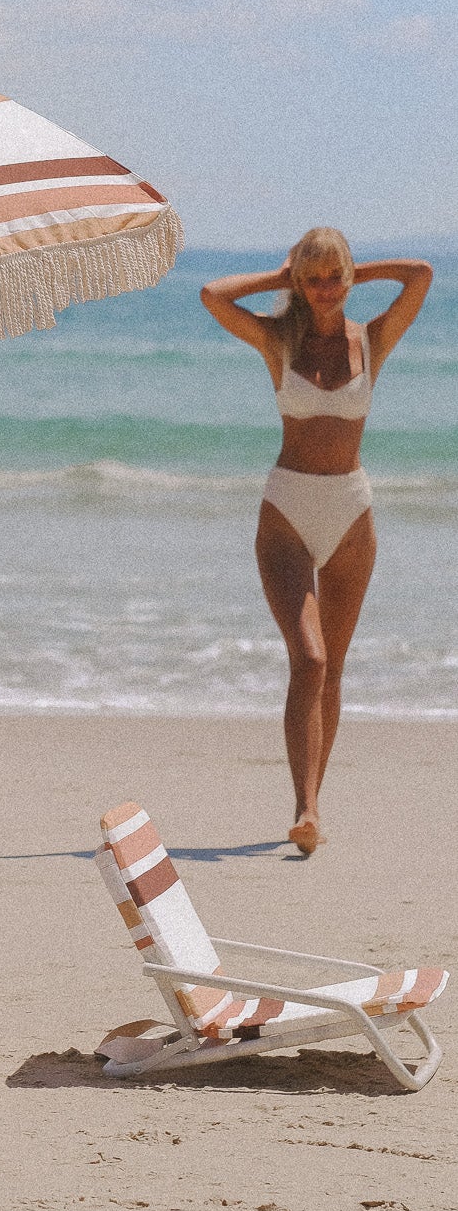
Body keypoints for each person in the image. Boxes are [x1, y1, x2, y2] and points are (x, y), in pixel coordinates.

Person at [201, 231, 432, 856]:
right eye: (315, 278)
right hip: (287, 514)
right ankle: (302, 808)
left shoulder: (371, 340)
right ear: (299, 283)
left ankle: (314, 807)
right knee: (311, 659)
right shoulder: (277, 340)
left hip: (352, 514)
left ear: (350, 278)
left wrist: (352, 267)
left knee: (334, 670)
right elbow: (212, 294)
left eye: (336, 277)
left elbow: (420, 274)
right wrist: (282, 277)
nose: (326, 288)